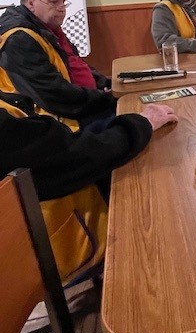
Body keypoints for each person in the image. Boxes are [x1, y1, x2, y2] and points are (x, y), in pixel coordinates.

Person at [0, 71, 178, 281]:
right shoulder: (20, 47)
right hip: (54, 245)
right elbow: (68, 153)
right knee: (161, 204)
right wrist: (139, 124)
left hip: (65, 160)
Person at [0, 0, 115, 129]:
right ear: (31, 3)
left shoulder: (47, 28)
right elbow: (55, 96)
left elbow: (75, 65)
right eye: (54, 1)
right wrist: (106, 98)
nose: (61, 8)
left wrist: (105, 84)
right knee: (132, 121)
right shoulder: (19, 38)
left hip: (83, 104)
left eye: (63, 2)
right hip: (60, 122)